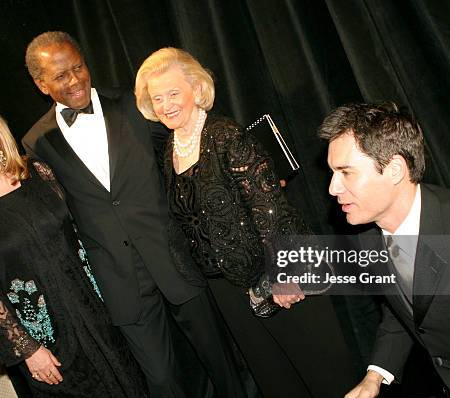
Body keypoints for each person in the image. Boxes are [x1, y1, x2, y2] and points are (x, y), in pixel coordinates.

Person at [22, 32, 251, 398]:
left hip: (174, 256)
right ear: (40, 84)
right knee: (160, 381)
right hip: (118, 277)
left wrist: (242, 175)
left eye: (78, 67)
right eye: (61, 75)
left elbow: (190, 143)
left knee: (222, 363)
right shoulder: (37, 141)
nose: (76, 80)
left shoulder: (133, 102)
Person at [134, 47, 357, 398]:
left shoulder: (224, 134)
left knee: (326, 377)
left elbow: (270, 206)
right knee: (279, 384)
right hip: (229, 290)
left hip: (281, 271)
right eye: (157, 98)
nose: (166, 105)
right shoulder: (169, 151)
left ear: (197, 89)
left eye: (173, 93)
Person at [0, 99, 148, 397]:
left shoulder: (39, 173)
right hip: (46, 345)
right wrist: (28, 350)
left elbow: (82, 236)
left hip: (98, 318)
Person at [318, 102, 450, 398]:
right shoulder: (367, 234)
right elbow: (405, 308)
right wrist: (375, 375)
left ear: (395, 169)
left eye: (346, 172)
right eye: (333, 173)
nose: (333, 188)